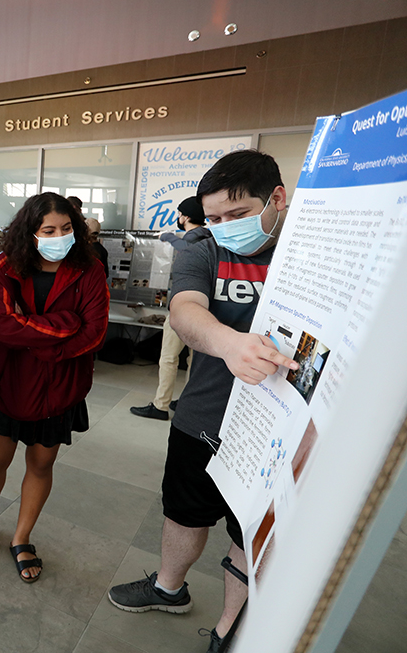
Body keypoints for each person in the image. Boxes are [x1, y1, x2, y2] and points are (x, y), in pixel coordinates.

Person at [108, 150, 298, 653]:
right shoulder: (203, 245)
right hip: (204, 416)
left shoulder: (308, 250)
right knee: (184, 513)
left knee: (250, 534)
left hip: (278, 430)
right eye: (214, 217)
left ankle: (228, 630)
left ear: (276, 199)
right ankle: (168, 587)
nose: (223, 227)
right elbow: (186, 309)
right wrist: (230, 343)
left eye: (237, 215)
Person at [0, 192, 108, 583]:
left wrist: (47, 349)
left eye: (66, 229)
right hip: (9, 380)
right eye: (49, 230)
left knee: (41, 464)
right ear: (30, 232)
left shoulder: (89, 270)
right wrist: (66, 323)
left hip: (61, 385)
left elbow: (95, 332)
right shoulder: (5, 268)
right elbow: (6, 328)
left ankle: (22, 536)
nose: (59, 236)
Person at [131, 196, 211, 420]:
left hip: (184, 308)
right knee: (193, 360)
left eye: (179, 214)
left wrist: (167, 237)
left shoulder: (192, 239)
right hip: (205, 310)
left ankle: (160, 406)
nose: (178, 217)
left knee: (168, 357)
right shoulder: (209, 237)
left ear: (185, 216)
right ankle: (184, 402)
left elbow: (185, 247)